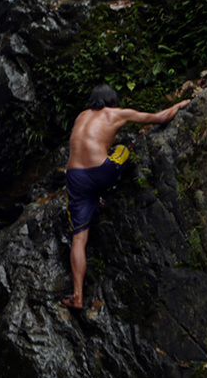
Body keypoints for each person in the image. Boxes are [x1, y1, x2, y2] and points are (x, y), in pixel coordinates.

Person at [61, 84, 190, 309]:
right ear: (112, 102)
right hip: (102, 173)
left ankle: (77, 296)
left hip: (75, 178)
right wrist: (181, 104)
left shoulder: (81, 116)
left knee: (79, 239)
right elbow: (161, 118)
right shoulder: (115, 113)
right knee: (122, 149)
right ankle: (101, 196)